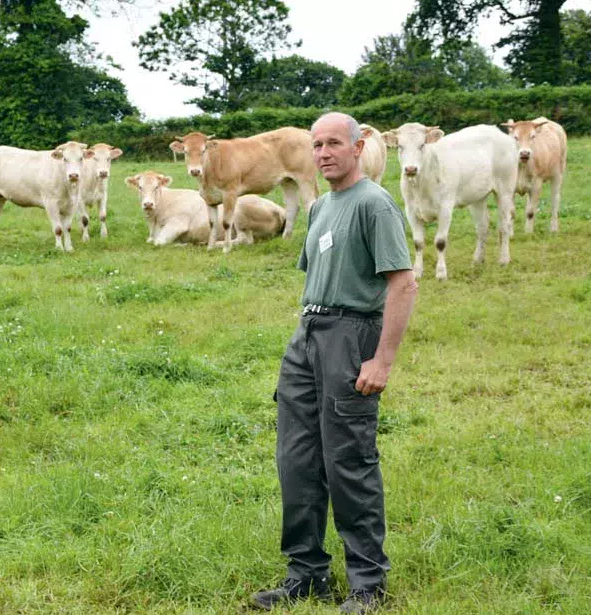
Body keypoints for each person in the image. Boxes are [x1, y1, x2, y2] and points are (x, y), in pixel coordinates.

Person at [251, 112, 418, 614]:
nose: (323, 153)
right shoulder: (320, 207)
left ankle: (368, 585)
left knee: (349, 461)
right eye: (316, 144)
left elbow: (402, 284)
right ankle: (306, 575)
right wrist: (303, 340)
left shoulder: (374, 203)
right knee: (297, 461)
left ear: (358, 146)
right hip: (308, 335)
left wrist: (381, 361)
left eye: (333, 144)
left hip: (352, 335)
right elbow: (316, 278)